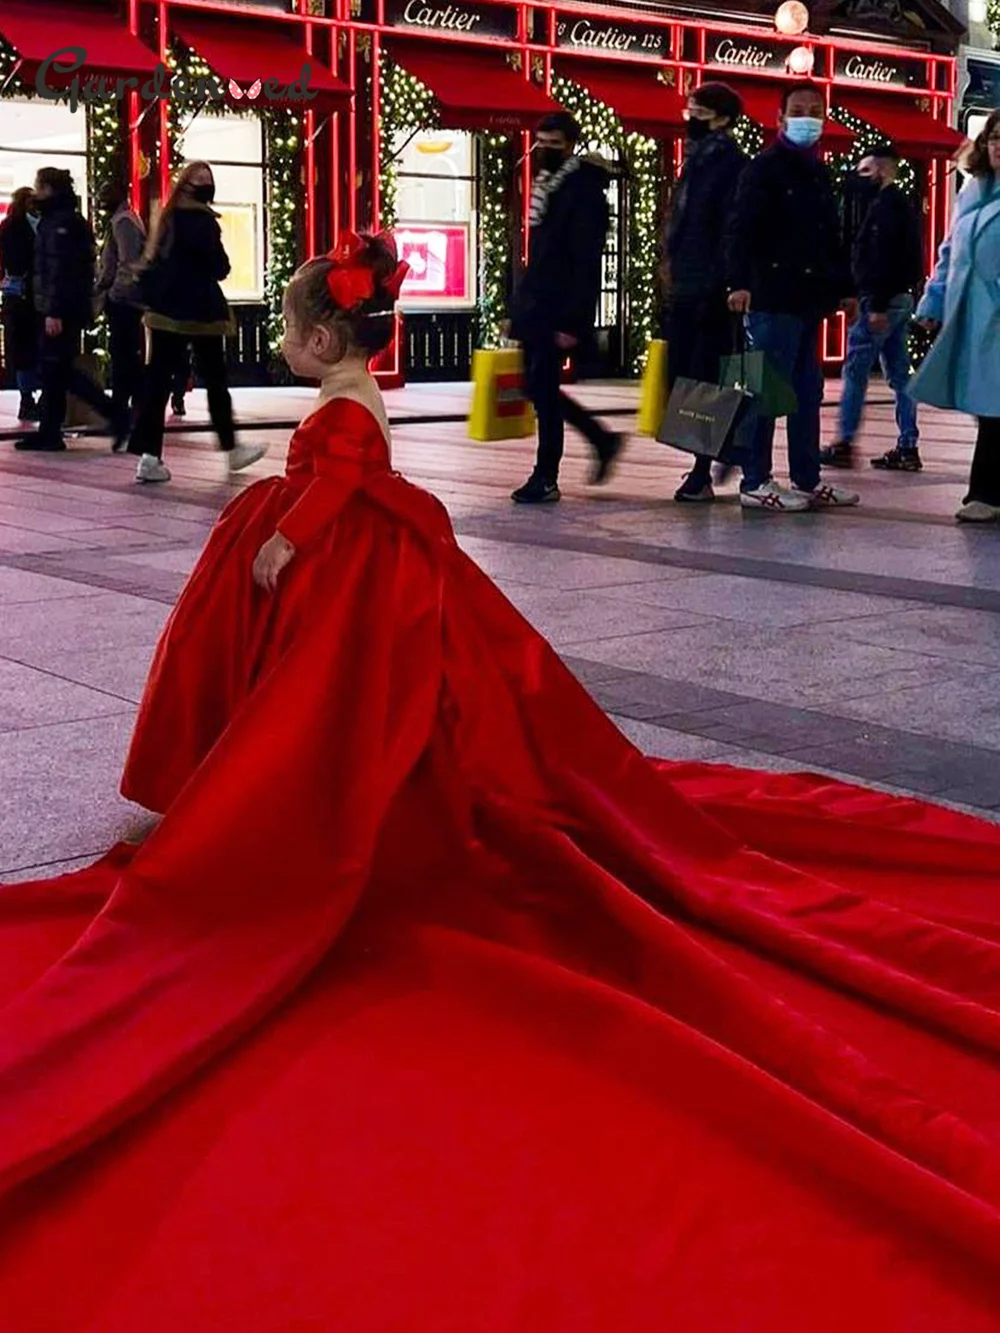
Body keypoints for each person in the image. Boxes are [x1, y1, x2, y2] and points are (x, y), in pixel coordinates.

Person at [0, 234, 999, 1332]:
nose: (282, 345)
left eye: (289, 331)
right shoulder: (353, 393)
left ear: (328, 338)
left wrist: (282, 545)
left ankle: (309, 798)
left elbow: (336, 481)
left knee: (321, 708)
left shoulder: (338, 408)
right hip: (382, 568)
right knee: (372, 704)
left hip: (341, 572)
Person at [726, 82, 860, 512]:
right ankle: (755, 479)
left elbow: (829, 237)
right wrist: (739, 282)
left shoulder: (818, 170)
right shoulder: (763, 169)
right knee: (766, 392)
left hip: (808, 301)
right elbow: (741, 229)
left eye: (815, 110)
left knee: (807, 391)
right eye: (798, 110)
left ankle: (806, 477)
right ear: (780, 119)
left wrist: (845, 288)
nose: (808, 118)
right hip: (771, 296)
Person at [127, 161, 265, 484]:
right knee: (215, 380)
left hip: (163, 310)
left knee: (157, 383)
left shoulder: (167, 217)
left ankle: (149, 456)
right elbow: (220, 266)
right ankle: (232, 448)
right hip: (201, 312)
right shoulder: (203, 222)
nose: (207, 185)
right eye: (203, 180)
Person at [508, 112, 621, 504]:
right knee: (535, 387)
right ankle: (601, 439)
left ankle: (547, 475)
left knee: (543, 388)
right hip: (537, 305)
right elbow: (538, 255)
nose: (544, 150)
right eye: (540, 142)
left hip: (557, 309)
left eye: (553, 144)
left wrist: (573, 320)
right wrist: (518, 307)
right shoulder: (547, 185)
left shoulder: (583, 192)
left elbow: (585, 261)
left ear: (570, 145)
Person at [910, 110, 1000, 523]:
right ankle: (985, 492)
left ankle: (984, 492)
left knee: (993, 405)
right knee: (988, 405)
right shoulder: (974, 190)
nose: (999, 146)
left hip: (994, 315)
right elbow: (949, 252)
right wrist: (932, 302)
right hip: (974, 315)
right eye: (994, 137)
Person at [663, 82, 747, 504]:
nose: (689, 116)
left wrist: (729, 281)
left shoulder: (729, 163)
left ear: (723, 118)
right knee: (685, 374)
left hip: (711, 286)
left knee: (706, 377)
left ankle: (702, 469)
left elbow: (730, 226)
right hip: (688, 281)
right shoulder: (697, 160)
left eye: (698, 110)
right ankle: (727, 446)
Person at [820, 147, 924, 472]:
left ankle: (844, 442)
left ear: (880, 172)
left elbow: (881, 258)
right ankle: (908, 445)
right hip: (899, 300)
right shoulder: (901, 205)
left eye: (864, 171)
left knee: (855, 370)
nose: (858, 177)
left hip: (882, 301)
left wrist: (875, 303)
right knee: (898, 374)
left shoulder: (884, 209)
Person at [18, 167, 126, 454]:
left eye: (38, 186)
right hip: (63, 307)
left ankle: (116, 415)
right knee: (55, 371)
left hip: (60, 309)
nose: (35, 191)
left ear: (49, 189)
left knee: (59, 370)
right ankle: (50, 431)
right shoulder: (61, 220)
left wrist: (53, 310)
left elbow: (59, 269)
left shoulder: (59, 224)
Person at [94, 179, 147, 431]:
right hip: (127, 299)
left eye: (106, 193)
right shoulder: (124, 219)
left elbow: (128, 262)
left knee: (123, 356)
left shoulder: (123, 221)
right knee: (126, 355)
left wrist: (113, 293)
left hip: (125, 300)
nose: (101, 199)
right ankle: (128, 407)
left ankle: (123, 409)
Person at [0, 186, 40, 423]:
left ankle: (28, 397)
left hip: (17, 295)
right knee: (28, 347)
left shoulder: (8, 227)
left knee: (23, 349)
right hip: (25, 296)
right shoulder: (21, 229)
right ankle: (28, 398)